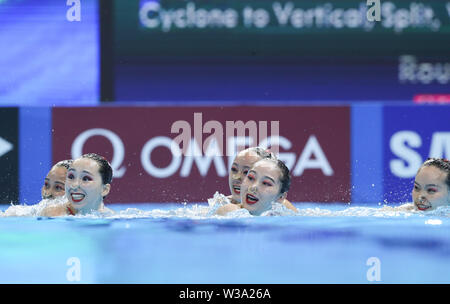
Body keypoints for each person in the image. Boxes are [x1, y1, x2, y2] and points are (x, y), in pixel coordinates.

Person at [40, 153, 114, 216]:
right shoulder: (53, 214)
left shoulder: (111, 217)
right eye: (71, 177)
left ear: (104, 189)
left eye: (86, 179)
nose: (74, 185)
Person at [227, 147, 297, 212]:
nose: (236, 177)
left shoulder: (283, 209)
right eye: (234, 169)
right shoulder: (221, 204)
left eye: (246, 172)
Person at [217, 157, 291, 216]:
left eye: (265, 183)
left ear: (281, 197)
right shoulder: (230, 211)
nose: (253, 187)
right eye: (251, 178)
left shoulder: (283, 214)